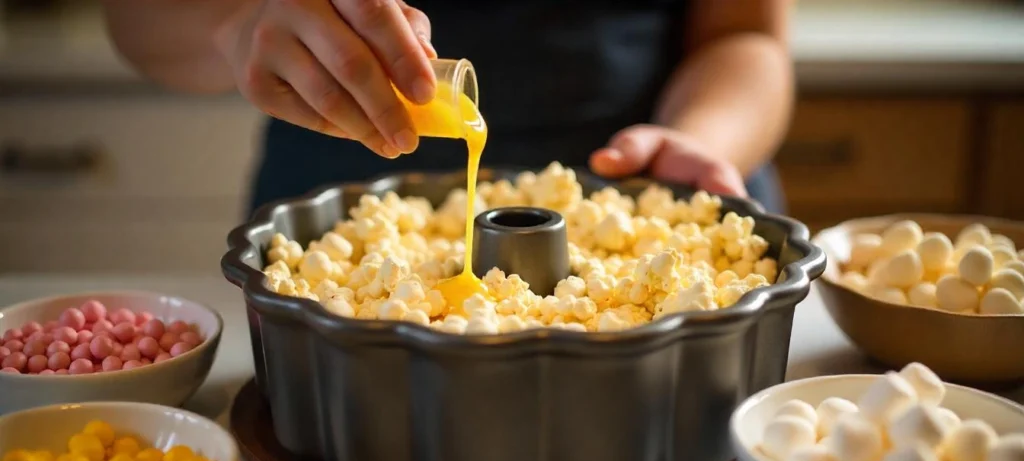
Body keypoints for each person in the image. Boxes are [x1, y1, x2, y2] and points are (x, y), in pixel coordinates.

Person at [101, 1, 793, 215]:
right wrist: (238, 25)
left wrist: (700, 140)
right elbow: (134, 20)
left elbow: (746, 36)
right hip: (336, 209)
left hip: (642, 200)